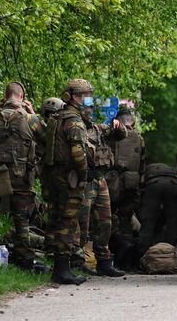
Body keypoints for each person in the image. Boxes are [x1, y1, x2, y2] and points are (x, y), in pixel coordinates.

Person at [0, 82, 49, 273]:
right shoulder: (31, 119)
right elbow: (47, 137)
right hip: (21, 177)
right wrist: (34, 112)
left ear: (5, 96)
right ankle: (27, 258)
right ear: (22, 97)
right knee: (21, 219)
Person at [43, 79, 95, 285]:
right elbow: (77, 151)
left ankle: (59, 267)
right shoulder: (73, 119)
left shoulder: (58, 116)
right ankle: (62, 270)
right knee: (68, 221)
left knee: (57, 218)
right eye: (86, 96)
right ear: (75, 97)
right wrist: (84, 174)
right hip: (69, 178)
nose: (89, 100)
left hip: (54, 175)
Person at [78, 111, 127, 277]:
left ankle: (104, 262)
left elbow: (121, 135)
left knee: (105, 222)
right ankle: (77, 259)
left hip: (100, 180)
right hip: (83, 182)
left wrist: (118, 126)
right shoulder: (76, 129)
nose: (88, 114)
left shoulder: (99, 129)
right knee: (82, 223)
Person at [107, 105, 145, 241]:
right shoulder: (139, 138)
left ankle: (110, 246)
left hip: (113, 181)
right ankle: (126, 249)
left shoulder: (113, 135)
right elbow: (143, 162)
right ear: (132, 121)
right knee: (127, 217)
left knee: (108, 215)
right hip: (132, 182)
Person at [137, 162, 177, 255]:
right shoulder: (173, 170)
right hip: (174, 183)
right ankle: (172, 256)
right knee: (173, 224)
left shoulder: (147, 168)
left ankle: (142, 257)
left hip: (153, 183)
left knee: (148, 223)